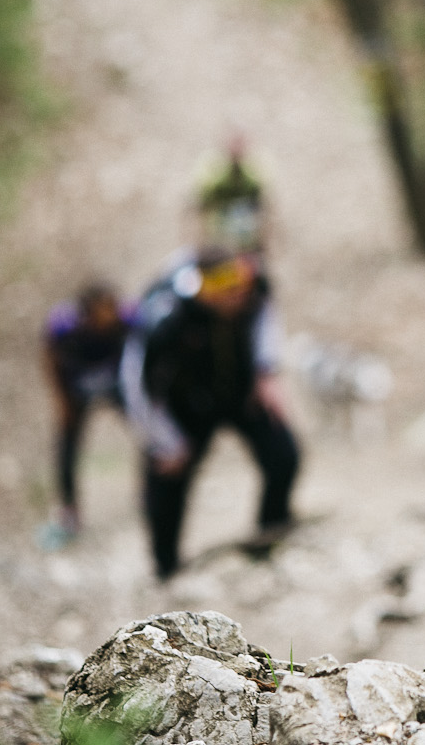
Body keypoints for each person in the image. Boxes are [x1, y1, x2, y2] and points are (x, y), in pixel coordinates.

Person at [120, 247, 300, 580]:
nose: (239, 299)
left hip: (241, 391)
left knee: (283, 454)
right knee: (167, 476)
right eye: (229, 293)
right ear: (206, 293)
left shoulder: (255, 286)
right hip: (186, 405)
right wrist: (163, 438)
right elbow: (136, 383)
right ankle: (166, 567)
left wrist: (266, 370)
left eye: (241, 290)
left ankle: (271, 534)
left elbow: (266, 314)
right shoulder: (166, 315)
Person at [40, 281, 134, 548]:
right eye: (104, 309)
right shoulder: (63, 327)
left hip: (117, 383)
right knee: (67, 446)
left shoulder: (128, 319)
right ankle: (69, 510)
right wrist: (61, 401)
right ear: (88, 312)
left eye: (113, 307)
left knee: (150, 431)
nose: (111, 314)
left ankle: (151, 493)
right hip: (77, 388)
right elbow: (50, 359)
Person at [195, 131, 270, 262]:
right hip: (222, 244)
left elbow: (261, 210)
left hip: (246, 244)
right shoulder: (218, 182)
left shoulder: (251, 181)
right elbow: (204, 209)